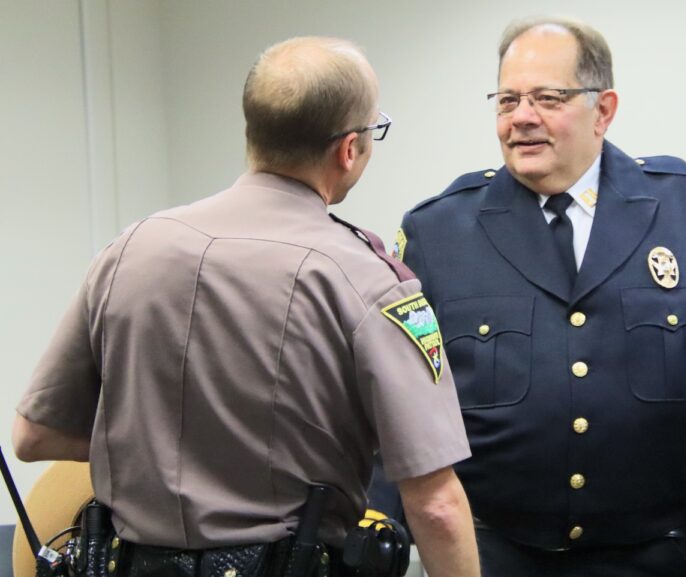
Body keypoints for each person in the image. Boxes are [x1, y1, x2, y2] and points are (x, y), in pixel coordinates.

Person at [12, 36, 480, 577]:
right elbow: (436, 505)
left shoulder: (129, 251)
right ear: (349, 149)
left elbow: (34, 435)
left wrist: (162, 451)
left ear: (253, 131)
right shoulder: (367, 282)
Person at [375, 17, 686, 577]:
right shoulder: (438, 234)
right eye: (507, 100)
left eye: (547, 98)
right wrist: (376, 536)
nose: (522, 117)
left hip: (654, 555)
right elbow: (400, 407)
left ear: (603, 110)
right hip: (491, 556)